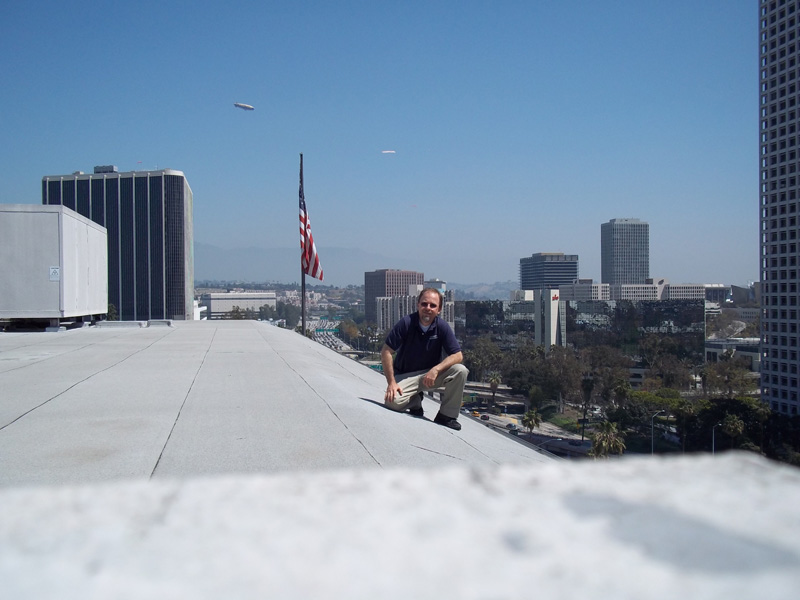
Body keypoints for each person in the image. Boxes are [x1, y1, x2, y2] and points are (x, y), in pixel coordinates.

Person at [381, 288, 468, 430]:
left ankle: (446, 416)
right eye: (424, 304)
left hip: (430, 375)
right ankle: (415, 401)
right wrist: (391, 383)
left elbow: (458, 355)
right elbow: (386, 351)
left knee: (460, 370)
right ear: (418, 305)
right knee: (392, 402)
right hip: (405, 376)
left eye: (433, 305)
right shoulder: (406, 323)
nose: (428, 308)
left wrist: (436, 369)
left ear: (439, 309)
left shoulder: (442, 327)